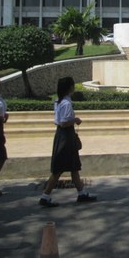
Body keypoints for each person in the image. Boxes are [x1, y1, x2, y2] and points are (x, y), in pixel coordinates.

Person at [39, 77, 97, 207]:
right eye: (72, 84)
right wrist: (75, 120)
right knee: (59, 169)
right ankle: (45, 196)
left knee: (73, 166)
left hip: (63, 135)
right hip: (65, 135)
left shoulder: (59, 101)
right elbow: (64, 122)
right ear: (69, 87)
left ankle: (81, 193)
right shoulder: (66, 104)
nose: (74, 86)